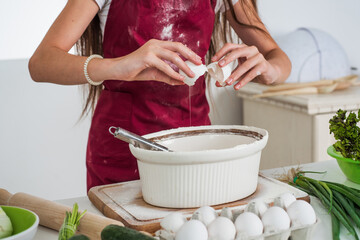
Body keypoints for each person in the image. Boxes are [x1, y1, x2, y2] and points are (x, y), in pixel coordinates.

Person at [28, 0, 291, 191]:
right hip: (124, 152)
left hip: (197, 148)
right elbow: (41, 63)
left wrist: (270, 69)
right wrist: (117, 66)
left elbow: (279, 59)